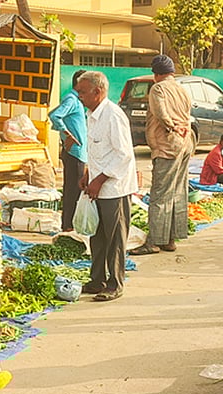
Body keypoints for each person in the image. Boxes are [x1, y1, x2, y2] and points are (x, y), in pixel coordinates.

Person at [75, 71, 137, 302]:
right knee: (98, 236)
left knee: (115, 239)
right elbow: (99, 151)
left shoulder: (113, 115)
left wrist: (100, 180)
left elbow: (124, 155)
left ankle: (115, 283)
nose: (79, 96)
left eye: (82, 92)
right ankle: (97, 279)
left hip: (115, 188)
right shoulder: (92, 115)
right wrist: (88, 174)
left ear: (97, 92)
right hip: (97, 186)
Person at [132, 55, 193, 256]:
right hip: (185, 143)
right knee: (177, 191)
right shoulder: (181, 89)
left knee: (160, 193)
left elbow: (161, 113)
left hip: (168, 143)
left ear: (156, 74)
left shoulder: (158, 89)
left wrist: (171, 126)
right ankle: (170, 239)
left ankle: (154, 241)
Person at [49, 69, 88, 232]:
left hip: (78, 152)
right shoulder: (72, 99)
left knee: (73, 188)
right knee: (73, 189)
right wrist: (67, 135)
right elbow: (55, 115)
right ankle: (68, 226)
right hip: (74, 152)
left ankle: (70, 224)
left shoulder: (76, 100)